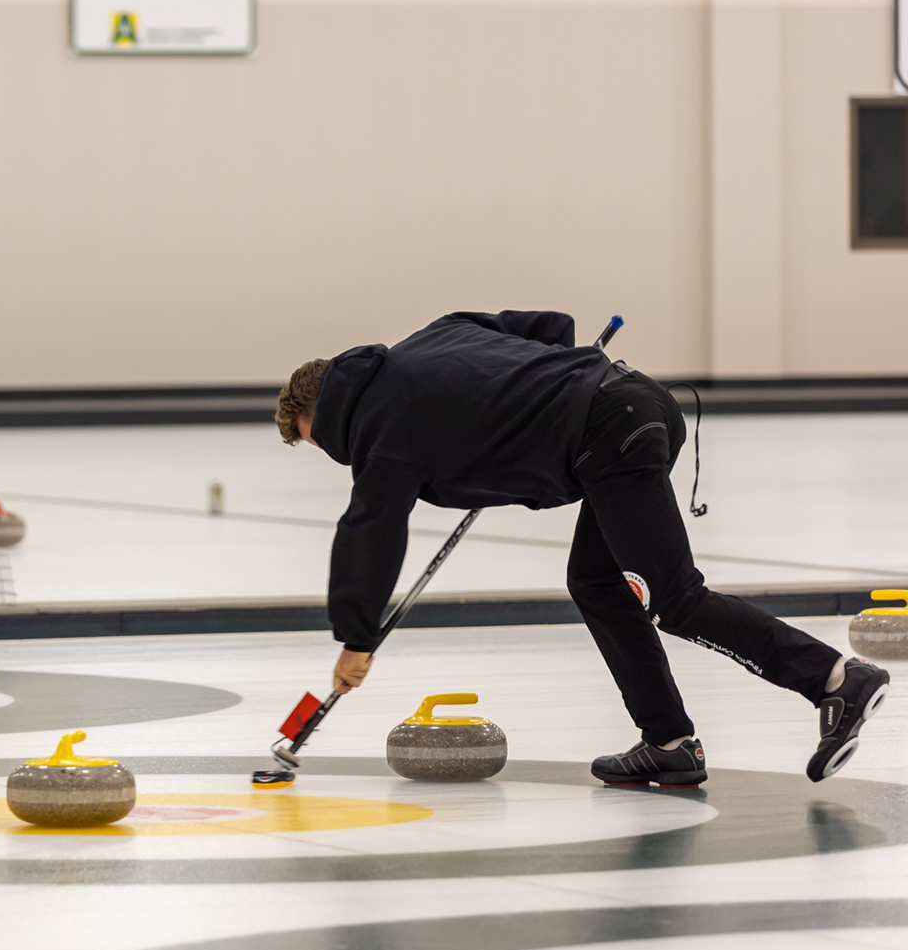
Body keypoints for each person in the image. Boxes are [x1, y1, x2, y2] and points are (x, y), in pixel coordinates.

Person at [277, 310, 889, 788]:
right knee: (596, 583)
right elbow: (550, 326)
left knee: (674, 599)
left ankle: (836, 679)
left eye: (318, 440)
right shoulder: (434, 336)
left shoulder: (379, 425)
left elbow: (371, 530)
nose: (334, 452)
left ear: (324, 413)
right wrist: (518, 403)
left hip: (611, 434)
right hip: (635, 405)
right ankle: (670, 744)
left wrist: (356, 638)